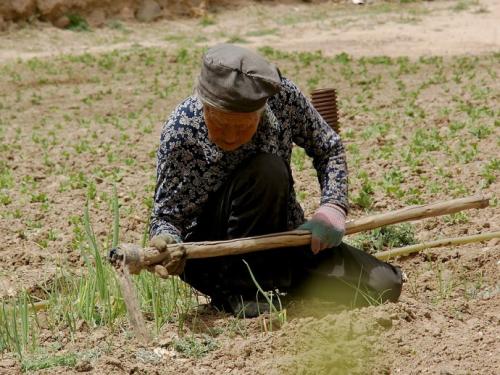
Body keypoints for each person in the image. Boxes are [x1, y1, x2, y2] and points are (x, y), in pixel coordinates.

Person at [149, 44, 402, 317]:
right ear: (204, 106)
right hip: (217, 256)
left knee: (384, 285)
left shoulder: (283, 99)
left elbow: (328, 147)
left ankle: (276, 286)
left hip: (280, 239)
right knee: (267, 169)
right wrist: (169, 241)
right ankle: (243, 292)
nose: (231, 137)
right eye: (220, 125)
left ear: (262, 111)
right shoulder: (182, 129)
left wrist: (333, 206)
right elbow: (167, 217)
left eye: (242, 126)